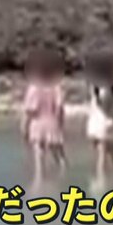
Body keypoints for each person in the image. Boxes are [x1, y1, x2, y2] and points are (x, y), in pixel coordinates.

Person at [21, 48, 67, 180]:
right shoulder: (56, 88)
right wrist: (61, 126)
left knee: (39, 164)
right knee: (60, 158)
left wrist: (24, 129)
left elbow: (29, 112)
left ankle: (39, 185)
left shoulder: (33, 88)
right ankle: (64, 180)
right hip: (53, 124)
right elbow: (60, 109)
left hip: (37, 126)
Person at [84, 51, 113, 176]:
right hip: (104, 122)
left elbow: (102, 103)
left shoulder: (98, 87)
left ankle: (103, 178)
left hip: (97, 123)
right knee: (108, 151)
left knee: (103, 153)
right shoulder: (109, 87)